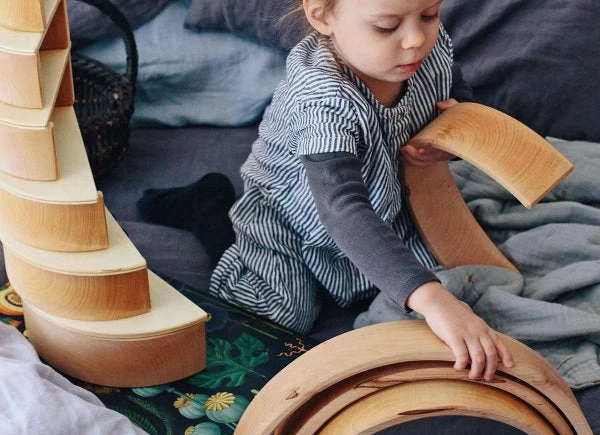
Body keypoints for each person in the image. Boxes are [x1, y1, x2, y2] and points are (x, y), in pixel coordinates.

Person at [141, 0, 514, 381]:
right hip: (292, 218)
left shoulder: (424, 50)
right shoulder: (322, 99)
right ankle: (208, 205)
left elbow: (458, 98)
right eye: (386, 27)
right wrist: (431, 300)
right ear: (322, 16)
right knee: (283, 313)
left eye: (430, 14)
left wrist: (450, 135)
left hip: (390, 196)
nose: (416, 39)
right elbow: (343, 209)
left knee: (454, 271)